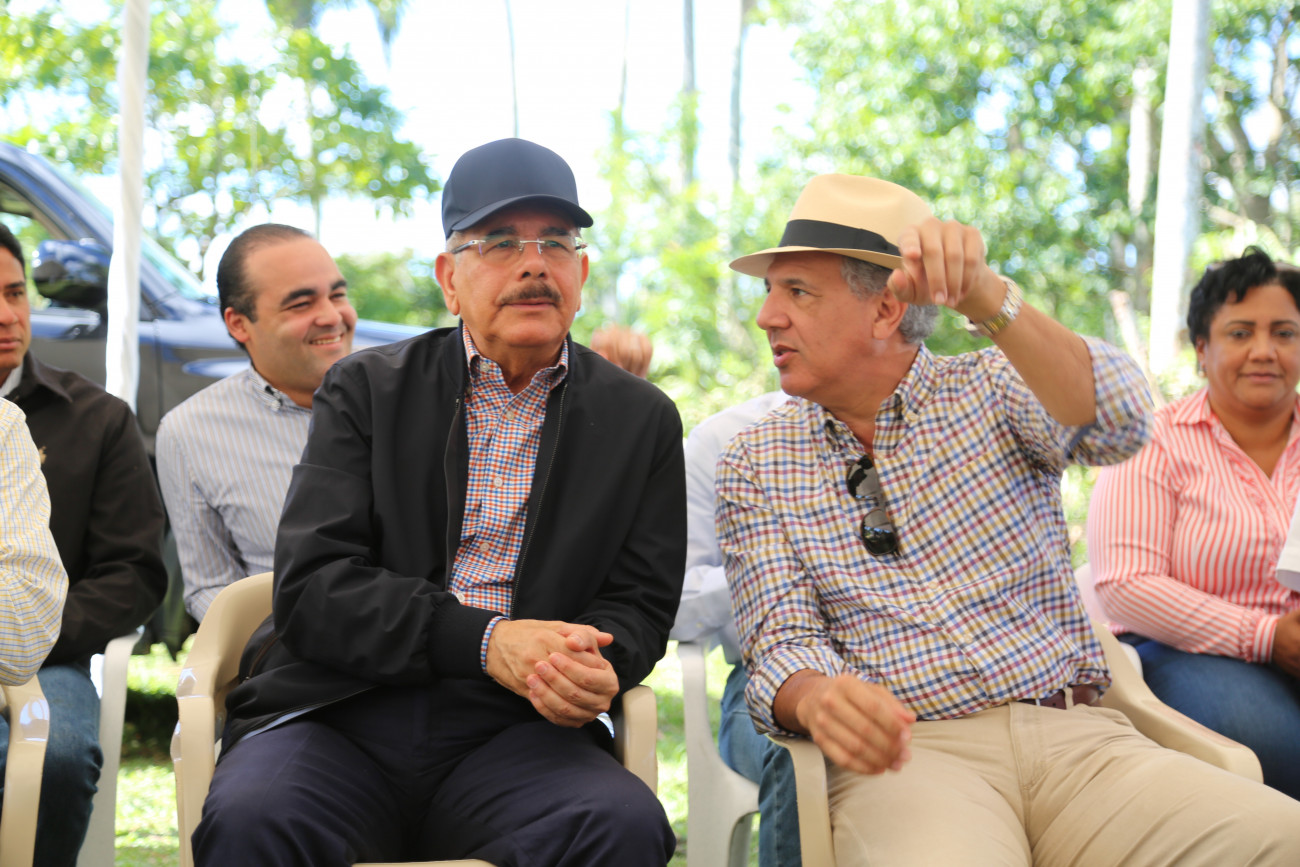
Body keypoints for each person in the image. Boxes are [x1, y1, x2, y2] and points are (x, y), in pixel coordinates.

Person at [717, 174, 1300, 866]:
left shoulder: (993, 389)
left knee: (1281, 836)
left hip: (1079, 740)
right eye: (771, 291)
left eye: (797, 292)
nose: (768, 316)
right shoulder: (755, 460)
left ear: (886, 309)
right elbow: (781, 641)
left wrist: (986, 295)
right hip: (912, 757)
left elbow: (1120, 420)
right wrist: (817, 697)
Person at [192, 138, 685, 866]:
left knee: (620, 824)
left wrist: (592, 660)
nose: (533, 263)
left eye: (556, 241)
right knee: (253, 817)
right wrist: (486, 641)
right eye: (500, 242)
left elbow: (639, 603)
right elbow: (314, 587)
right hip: (339, 710)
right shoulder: (367, 391)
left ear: (580, 274)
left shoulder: (641, 420)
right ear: (449, 279)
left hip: (522, 731)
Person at [1087, 247, 1300, 799]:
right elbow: (1125, 585)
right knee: (1270, 740)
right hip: (1187, 650)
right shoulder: (1151, 440)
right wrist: (1266, 637)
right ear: (1202, 348)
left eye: (1284, 333)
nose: (1264, 351)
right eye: (1240, 333)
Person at [0, 222, 168, 865]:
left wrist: (34, 631)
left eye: (16, 292)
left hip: (52, 657)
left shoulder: (97, 417)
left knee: (59, 757)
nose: (8, 315)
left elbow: (135, 572)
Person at [156, 224, 357, 621]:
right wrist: (273, 642)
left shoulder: (407, 391)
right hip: (292, 645)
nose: (332, 316)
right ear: (238, 324)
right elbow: (209, 586)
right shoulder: (189, 432)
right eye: (301, 304)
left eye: (337, 295)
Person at [671, 389, 800, 866]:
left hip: (903, 667)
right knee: (804, 744)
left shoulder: (930, 432)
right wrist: (771, 568)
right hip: (761, 679)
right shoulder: (722, 439)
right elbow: (674, 603)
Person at [0, 398, 67, 686]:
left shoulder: (4, 422)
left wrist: (67, 640)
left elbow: (26, 640)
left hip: (64, 650)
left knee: (61, 704)